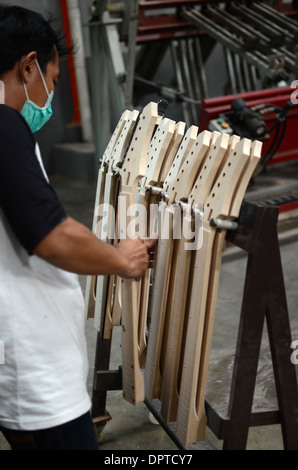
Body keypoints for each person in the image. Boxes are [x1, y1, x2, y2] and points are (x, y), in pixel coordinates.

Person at [0, 4, 156, 451]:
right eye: (52, 80)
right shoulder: (5, 128)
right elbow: (52, 235)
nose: (50, 93)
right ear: (28, 67)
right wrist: (122, 259)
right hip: (33, 366)